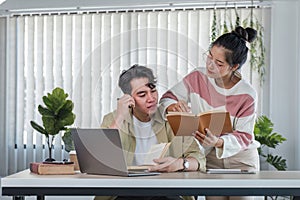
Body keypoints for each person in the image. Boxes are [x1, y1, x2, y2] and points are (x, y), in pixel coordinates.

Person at [160, 26, 261, 200]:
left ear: (234, 66)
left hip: (242, 160)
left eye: (219, 63)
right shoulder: (197, 77)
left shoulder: (247, 94)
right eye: (209, 57)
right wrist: (172, 106)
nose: (210, 65)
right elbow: (167, 98)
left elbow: (244, 136)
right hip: (210, 157)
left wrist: (220, 141)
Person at [96, 64, 205, 200]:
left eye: (152, 91)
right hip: (125, 192)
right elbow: (101, 159)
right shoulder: (112, 119)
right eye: (142, 94)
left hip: (166, 191)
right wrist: (120, 117)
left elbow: (199, 159)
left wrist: (180, 164)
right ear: (129, 98)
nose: (151, 98)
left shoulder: (173, 118)